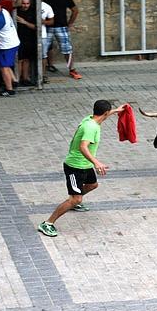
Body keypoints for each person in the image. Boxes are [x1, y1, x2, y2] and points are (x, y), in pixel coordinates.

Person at [38, 100, 126, 237]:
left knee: (92, 185)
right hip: (75, 166)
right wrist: (97, 162)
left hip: (85, 164)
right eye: (109, 113)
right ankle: (47, 223)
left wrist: (116, 111)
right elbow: (83, 146)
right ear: (105, 113)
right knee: (76, 199)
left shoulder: (90, 119)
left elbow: (103, 116)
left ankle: (74, 199)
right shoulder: (91, 128)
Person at [44, 0, 81, 80]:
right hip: (46, 27)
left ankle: (72, 69)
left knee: (67, 49)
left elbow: (75, 10)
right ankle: (46, 69)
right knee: (45, 49)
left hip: (61, 27)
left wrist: (70, 24)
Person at [16, 0, 37, 86]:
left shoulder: (33, 12)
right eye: (23, 3)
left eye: (27, 3)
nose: (25, 5)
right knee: (19, 60)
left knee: (27, 59)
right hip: (17, 39)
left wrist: (24, 22)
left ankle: (25, 79)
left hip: (29, 39)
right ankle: (17, 79)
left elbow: (36, 27)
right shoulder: (15, 11)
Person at [39, 0, 55, 84]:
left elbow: (52, 21)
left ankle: (43, 75)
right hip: (28, 35)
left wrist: (43, 21)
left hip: (43, 35)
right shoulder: (29, 4)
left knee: (44, 56)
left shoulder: (47, 6)